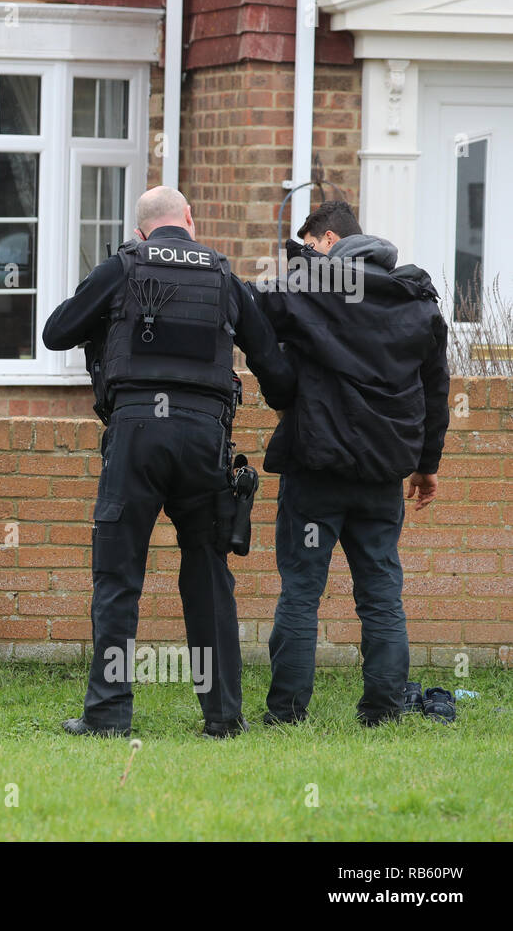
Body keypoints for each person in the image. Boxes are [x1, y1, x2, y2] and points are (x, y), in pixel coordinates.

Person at [42, 185, 295, 738]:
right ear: (190, 221)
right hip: (205, 438)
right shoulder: (224, 277)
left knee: (118, 575)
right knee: (208, 575)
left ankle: (108, 715)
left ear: (140, 231)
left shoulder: (121, 266)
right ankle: (225, 718)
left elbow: (55, 332)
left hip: (135, 434)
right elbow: (272, 364)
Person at [252, 199, 450, 726]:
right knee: (381, 592)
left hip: (316, 470)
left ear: (332, 243)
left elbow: (253, 313)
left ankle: (287, 714)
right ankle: (383, 712)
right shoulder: (417, 301)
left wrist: (283, 388)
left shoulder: (310, 293)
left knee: (300, 592)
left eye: (310, 248)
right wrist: (427, 464)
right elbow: (435, 392)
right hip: (382, 477)